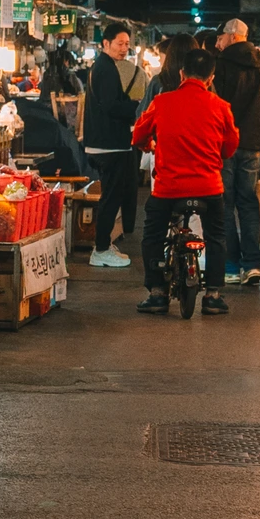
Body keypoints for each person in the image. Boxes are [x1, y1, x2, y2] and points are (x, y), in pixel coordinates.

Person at [131, 46, 241, 317]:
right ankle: (213, 295)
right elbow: (229, 148)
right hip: (209, 188)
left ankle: (157, 293)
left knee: (153, 234)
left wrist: (148, 145)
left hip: (169, 188)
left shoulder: (162, 101)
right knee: (217, 236)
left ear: (181, 73)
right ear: (211, 78)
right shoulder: (221, 107)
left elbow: (138, 137)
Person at [213, 17, 260, 285]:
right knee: (249, 203)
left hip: (225, 145)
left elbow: (214, 105)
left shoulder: (220, 65)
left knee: (225, 203)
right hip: (255, 146)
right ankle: (252, 264)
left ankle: (231, 265)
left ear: (232, 36)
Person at [83, 22, 146, 268]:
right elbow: (111, 106)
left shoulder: (105, 67)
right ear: (105, 43)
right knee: (111, 197)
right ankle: (100, 249)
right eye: (119, 44)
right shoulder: (106, 69)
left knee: (111, 195)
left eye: (127, 44)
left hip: (105, 143)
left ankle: (103, 245)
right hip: (109, 144)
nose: (124, 49)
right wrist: (137, 107)